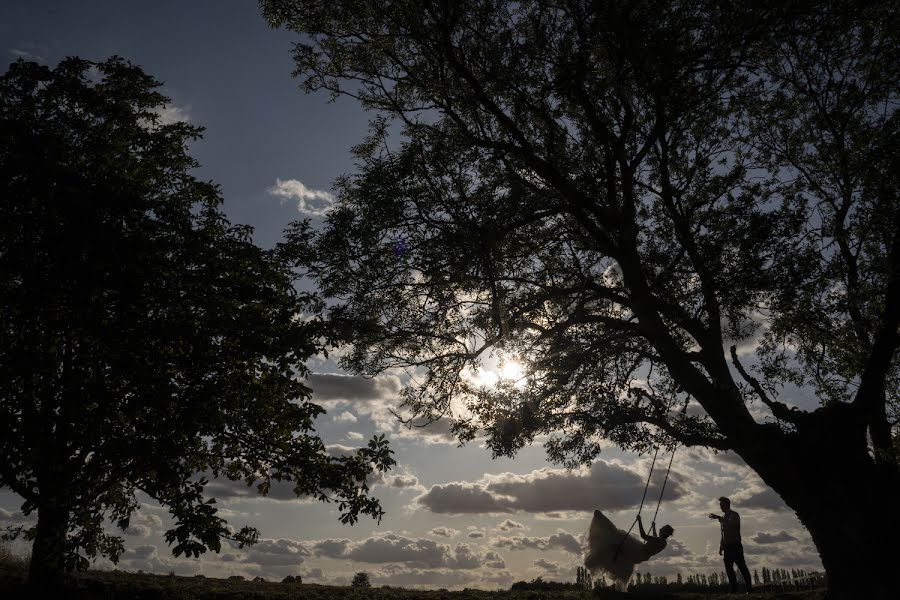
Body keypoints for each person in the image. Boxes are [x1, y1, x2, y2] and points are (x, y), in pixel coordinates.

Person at [585, 510, 674, 590]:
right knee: (619, 541)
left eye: (662, 529)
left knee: (617, 536)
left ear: (665, 532)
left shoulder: (658, 540)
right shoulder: (663, 543)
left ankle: (607, 542)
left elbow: (643, 535)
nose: (660, 529)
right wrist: (653, 527)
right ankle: (614, 552)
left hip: (639, 551)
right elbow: (655, 539)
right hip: (641, 555)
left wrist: (639, 521)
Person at [709, 496, 753, 593]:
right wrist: (721, 546)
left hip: (736, 546)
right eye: (720, 505)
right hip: (727, 547)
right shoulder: (723, 517)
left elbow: (732, 524)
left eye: (722, 505)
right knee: (729, 569)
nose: (720, 507)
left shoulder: (734, 515)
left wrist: (719, 518)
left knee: (742, 567)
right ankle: (734, 590)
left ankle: (749, 589)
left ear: (727, 505)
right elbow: (723, 534)